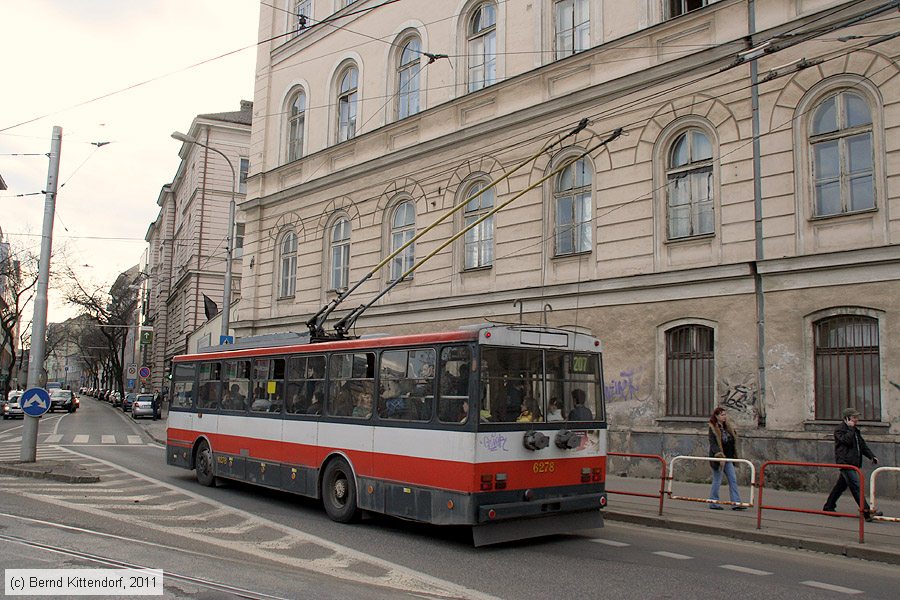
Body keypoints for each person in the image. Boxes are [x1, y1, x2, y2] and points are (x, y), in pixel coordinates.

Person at [823, 407, 881, 521]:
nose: (856, 420)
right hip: (845, 463)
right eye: (854, 417)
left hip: (853, 462)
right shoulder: (840, 430)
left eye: (857, 417)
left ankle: (828, 506)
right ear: (847, 418)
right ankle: (866, 512)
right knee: (856, 486)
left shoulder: (854, 430)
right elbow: (846, 441)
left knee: (840, 486)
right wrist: (850, 429)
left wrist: (871, 456)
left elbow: (862, 445)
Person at [707, 406, 746, 510]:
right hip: (719, 459)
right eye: (722, 415)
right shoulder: (713, 428)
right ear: (716, 416)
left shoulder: (727, 427)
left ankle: (736, 503)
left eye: (725, 414)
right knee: (717, 480)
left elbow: (732, 440)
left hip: (729, 458)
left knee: (733, 480)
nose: (724, 417)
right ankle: (713, 502)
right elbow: (713, 444)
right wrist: (719, 456)